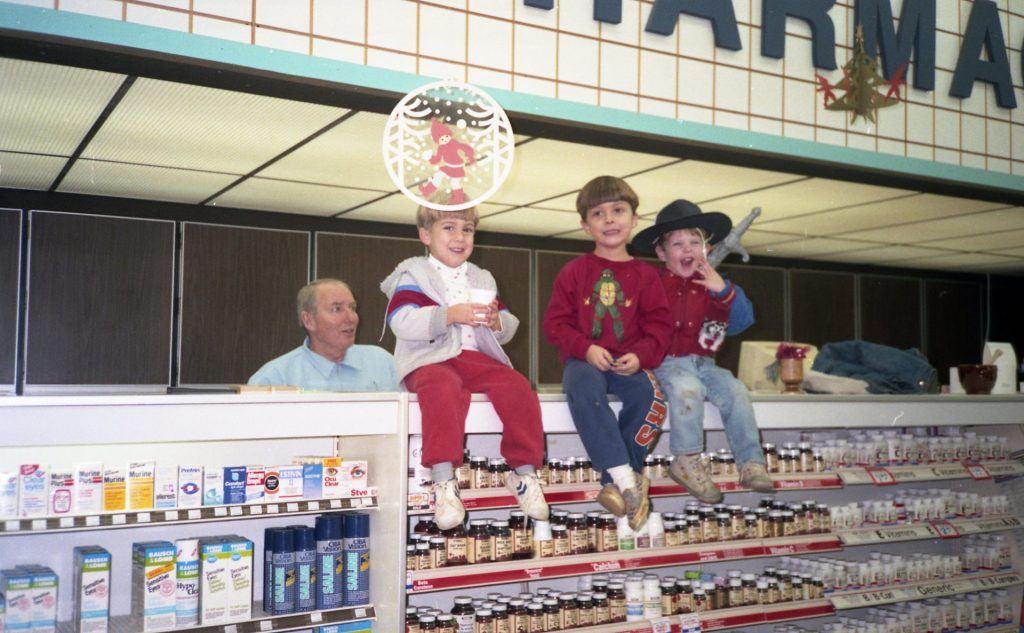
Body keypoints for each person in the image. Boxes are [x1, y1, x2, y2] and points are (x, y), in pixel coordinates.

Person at [380, 204, 549, 530]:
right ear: (425, 235)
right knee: (442, 389)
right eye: (449, 228)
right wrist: (449, 315)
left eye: (467, 230)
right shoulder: (413, 275)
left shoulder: (481, 277)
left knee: (517, 387)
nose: (460, 237)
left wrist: (499, 321)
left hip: (476, 358)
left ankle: (524, 473)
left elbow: (509, 323)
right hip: (430, 359)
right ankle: (443, 481)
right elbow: (401, 322)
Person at [542, 176, 672, 530]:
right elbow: (555, 324)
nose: (610, 220)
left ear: (634, 219)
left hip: (629, 362)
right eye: (599, 214)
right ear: (586, 225)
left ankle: (613, 481)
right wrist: (584, 348)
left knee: (650, 397)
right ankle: (628, 481)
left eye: (618, 210)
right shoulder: (574, 272)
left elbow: (660, 327)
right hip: (584, 361)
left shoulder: (647, 277)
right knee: (584, 390)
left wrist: (642, 356)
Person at [631, 199, 774, 502]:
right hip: (667, 362)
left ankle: (751, 462)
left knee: (735, 390)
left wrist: (722, 290)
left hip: (706, 362)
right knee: (687, 388)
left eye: (695, 242)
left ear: (706, 248)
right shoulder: (651, 285)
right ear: (661, 253)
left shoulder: (719, 285)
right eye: (678, 244)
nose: (687, 249)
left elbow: (742, 322)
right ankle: (685, 458)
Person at [248, 279, 399, 391]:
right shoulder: (275, 378)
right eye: (337, 309)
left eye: (352, 308)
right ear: (309, 320)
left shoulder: (383, 363)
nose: (351, 318)